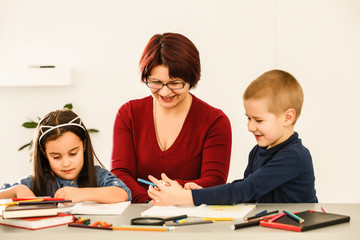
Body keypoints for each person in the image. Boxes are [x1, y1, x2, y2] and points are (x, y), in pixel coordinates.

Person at [147, 69, 318, 205]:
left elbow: (245, 189)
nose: (250, 127)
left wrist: (188, 197)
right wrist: (201, 192)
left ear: (288, 118)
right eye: (248, 118)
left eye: (258, 120)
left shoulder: (294, 156)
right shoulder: (257, 151)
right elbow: (246, 193)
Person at [111, 32, 232, 203]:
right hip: (140, 214)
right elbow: (120, 174)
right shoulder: (129, 114)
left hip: (192, 218)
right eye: (155, 82)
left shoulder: (215, 121)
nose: (165, 92)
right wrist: (149, 201)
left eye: (175, 83)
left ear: (191, 78)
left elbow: (214, 180)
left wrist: (173, 195)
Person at [0, 109, 131, 203]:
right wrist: (18, 189)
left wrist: (80, 194)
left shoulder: (98, 176)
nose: (66, 163)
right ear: (44, 153)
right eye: (56, 157)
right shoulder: (36, 182)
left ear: (84, 145)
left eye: (73, 153)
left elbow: (122, 193)